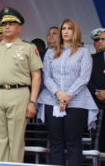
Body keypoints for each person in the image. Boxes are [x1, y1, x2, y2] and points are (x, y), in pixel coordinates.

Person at [0, 7, 43, 162]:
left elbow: (36, 76)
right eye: (4, 24)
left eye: (11, 23)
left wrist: (32, 102)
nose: (7, 26)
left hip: (19, 93)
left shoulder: (28, 47)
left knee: (16, 139)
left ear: (19, 27)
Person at [37, 18, 99, 165]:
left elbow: (84, 77)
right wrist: (59, 94)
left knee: (73, 141)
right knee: (55, 141)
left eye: (69, 29)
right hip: (52, 100)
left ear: (75, 32)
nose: (65, 31)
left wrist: (67, 96)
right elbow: (46, 76)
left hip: (77, 102)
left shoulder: (83, 52)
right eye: (63, 29)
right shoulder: (50, 52)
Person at [88, 30, 105, 156]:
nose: (100, 42)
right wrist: (96, 93)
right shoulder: (92, 59)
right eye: (98, 39)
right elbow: (87, 80)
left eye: (103, 39)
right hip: (98, 105)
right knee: (98, 145)